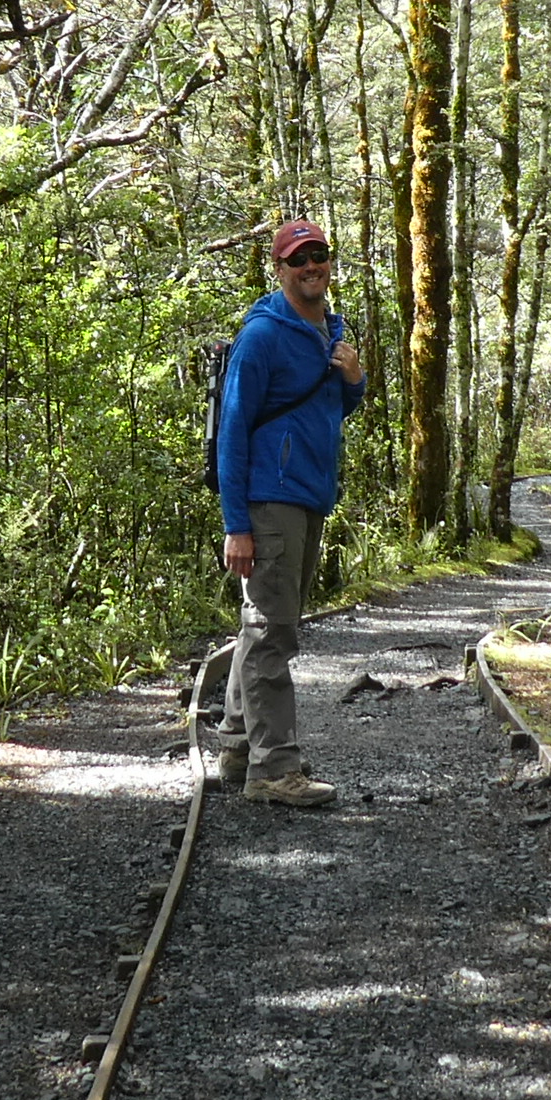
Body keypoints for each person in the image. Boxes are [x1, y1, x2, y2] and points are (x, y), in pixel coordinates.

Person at [210, 218, 366, 808]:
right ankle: (274, 769)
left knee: (265, 627)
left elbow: (327, 408)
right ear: (279, 269)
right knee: (272, 633)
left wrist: (354, 379)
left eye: (318, 255)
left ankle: (239, 748)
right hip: (270, 500)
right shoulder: (262, 337)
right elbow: (233, 433)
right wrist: (236, 525)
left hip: (308, 495)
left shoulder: (329, 330)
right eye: (298, 259)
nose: (310, 267)